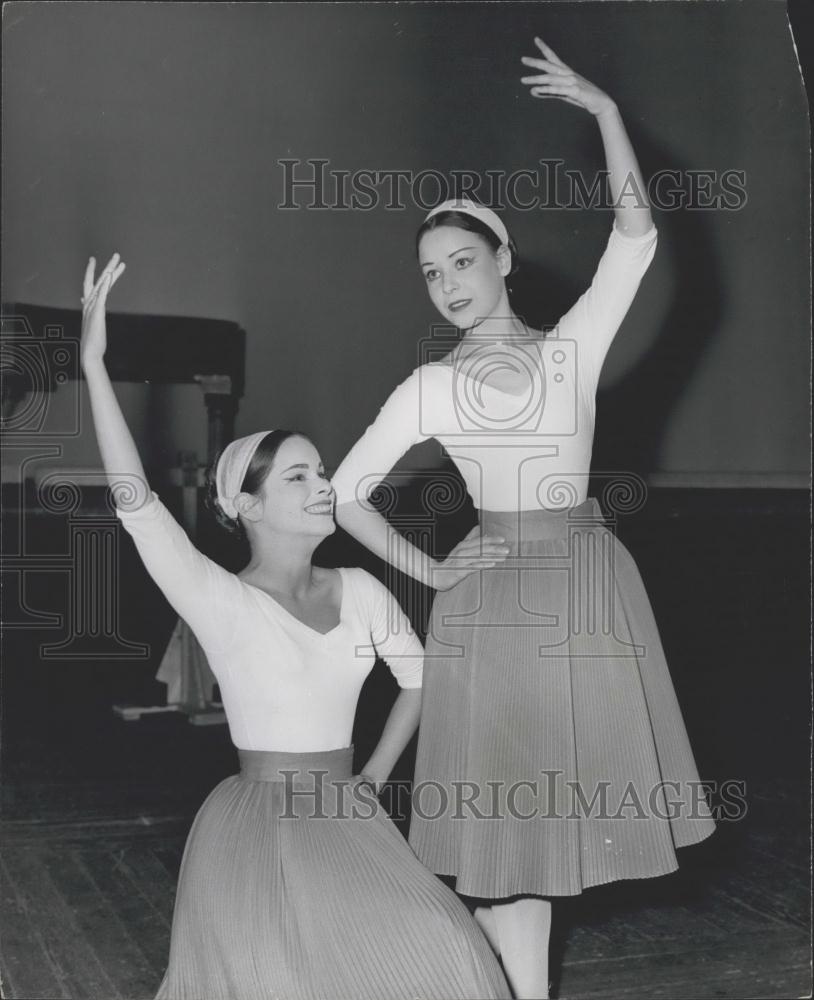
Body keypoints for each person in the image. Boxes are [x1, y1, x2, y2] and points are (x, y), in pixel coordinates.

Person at [332, 38, 715, 999]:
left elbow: (636, 240)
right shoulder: (428, 386)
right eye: (431, 272)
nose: (449, 282)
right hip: (490, 601)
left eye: (463, 260)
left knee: (558, 815)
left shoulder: (568, 352)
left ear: (504, 259)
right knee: (506, 829)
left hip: (587, 587)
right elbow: (345, 490)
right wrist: (428, 576)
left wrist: (605, 114)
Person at [79, 253, 511, 1000]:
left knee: (449, 952)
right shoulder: (220, 600)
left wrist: (372, 776)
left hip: (344, 810)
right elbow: (135, 503)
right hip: (253, 829)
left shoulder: (361, 589)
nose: (324, 487)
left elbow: (423, 676)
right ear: (246, 505)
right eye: (299, 477)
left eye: (323, 471)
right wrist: (92, 365)